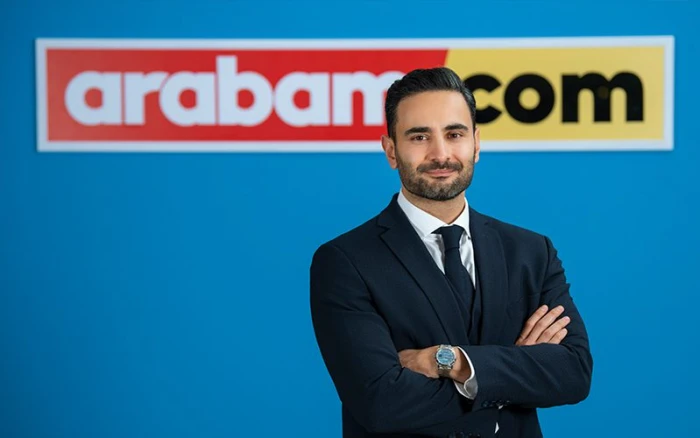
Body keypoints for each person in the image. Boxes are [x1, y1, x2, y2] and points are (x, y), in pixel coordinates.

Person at [309, 67, 593, 438]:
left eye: (454, 134)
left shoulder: (531, 251)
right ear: (391, 150)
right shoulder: (344, 261)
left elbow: (573, 372)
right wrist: (513, 375)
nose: (440, 154)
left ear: (476, 142)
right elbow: (381, 402)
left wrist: (453, 362)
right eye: (419, 137)